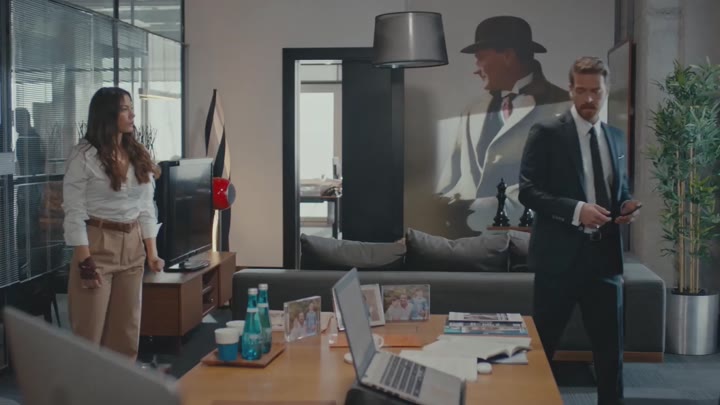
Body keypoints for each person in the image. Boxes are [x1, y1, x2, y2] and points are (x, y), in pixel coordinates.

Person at [518, 56, 641, 405]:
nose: (589, 98)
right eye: (582, 90)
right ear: (571, 89)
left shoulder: (615, 137)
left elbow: (620, 190)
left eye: (596, 91)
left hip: (605, 260)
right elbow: (528, 191)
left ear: (606, 90)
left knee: (610, 355)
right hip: (558, 261)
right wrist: (577, 211)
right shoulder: (546, 133)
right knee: (542, 350)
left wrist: (626, 207)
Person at [436, 15, 570, 236]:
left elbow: (563, 186)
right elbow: (449, 182)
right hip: (469, 237)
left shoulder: (564, 107)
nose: (476, 69)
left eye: (480, 58)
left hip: (531, 237)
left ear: (508, 56)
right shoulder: (471, 110)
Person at [63, 87, 164, 360]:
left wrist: (152, 253)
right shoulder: (84, 156)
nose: (132, 115)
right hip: (97, 245)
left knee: (126, 336)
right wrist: (85, 262)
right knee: (89, 337)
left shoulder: (136, 152)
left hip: (132, 247)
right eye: (124, 109)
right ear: (107, 115)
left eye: (131, 108)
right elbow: (73, 213)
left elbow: (146, 207)